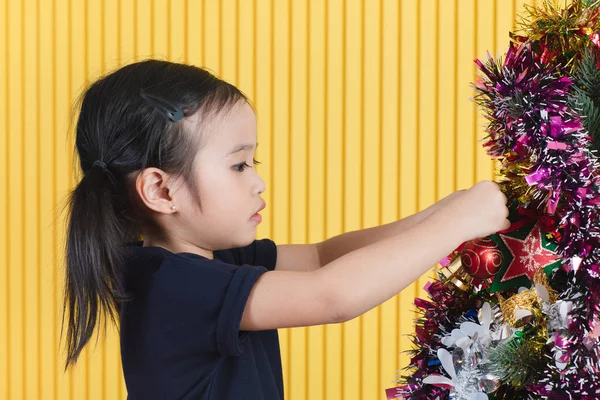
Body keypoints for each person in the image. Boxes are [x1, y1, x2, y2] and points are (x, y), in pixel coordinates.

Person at [62, 60, 509, 399]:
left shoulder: (214, 262)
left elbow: (321, 257)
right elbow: (332, 295)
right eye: (238, 165)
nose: (258, 181)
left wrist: (438, 215)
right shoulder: (171, 285)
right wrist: (457, 223)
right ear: (161, 190)